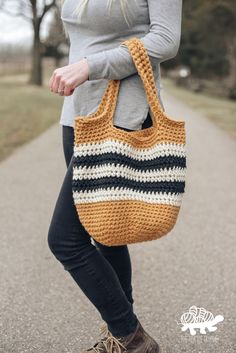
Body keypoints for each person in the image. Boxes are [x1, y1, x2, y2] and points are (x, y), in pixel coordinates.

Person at [48, 0, 182, 352]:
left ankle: (132, 338)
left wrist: (89, 66)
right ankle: (122, 338)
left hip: (125, 111)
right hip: (77, 114)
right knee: (105, 233)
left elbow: (166, 39)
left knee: (65, 240)